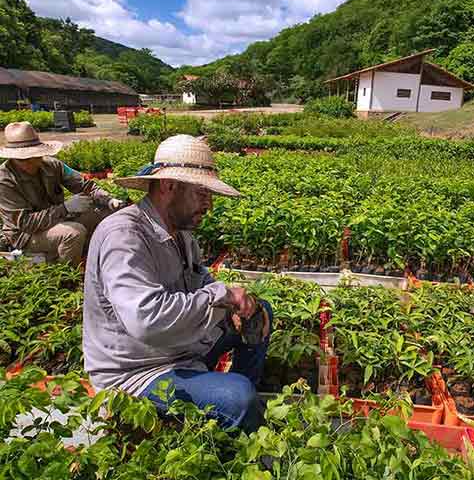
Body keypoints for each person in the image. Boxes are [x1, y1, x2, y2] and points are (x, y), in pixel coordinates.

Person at [82, 134, 271, 432]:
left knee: (258, 312)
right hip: (137, 371)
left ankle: (230, 405)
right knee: (238, 398)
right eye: (201, 193)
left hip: (178, 349)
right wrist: (220, 295)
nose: (209, 204)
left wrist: (233, 301)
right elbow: (147, 320)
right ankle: (234, 412)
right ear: (169, 186)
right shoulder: (124, 236)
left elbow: (200, 281)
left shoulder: (180, 234)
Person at [0, 122, 125, 264]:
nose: (30, 162)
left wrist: (108, 200)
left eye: (34, 156)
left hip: (56, 220)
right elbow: (25, 223)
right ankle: (66, 277)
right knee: (74, 233)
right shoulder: (5, 181)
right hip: (26, 235)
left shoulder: (53, 165)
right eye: (23, 160)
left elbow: (85, 185)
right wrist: (65, 208)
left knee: (102, 213)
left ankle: (82, 253)